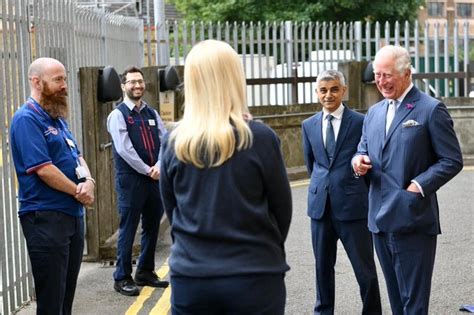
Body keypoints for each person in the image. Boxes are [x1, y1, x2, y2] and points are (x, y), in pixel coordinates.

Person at [159, 39, 292, 315]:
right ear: (235, 78)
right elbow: (282, 211)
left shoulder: (173, 142)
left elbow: (173, 211)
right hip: (254, 275)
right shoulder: (260, 138)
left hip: (192, 276)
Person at [353, 45, 463, 315]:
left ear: (407, 73)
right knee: (397, 304)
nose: (381, 81)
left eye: (387, 75)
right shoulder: (374, 112)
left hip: (413, 219)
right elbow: (362, 148)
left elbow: (451, 160)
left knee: (414, 305)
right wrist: (358, 162)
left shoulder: (431, 109)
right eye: (377, 75)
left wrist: (418, 186)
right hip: (379, 220)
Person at [10, 57, 95, 315]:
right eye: (58, 79)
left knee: (65, 296)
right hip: (46, 218)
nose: (64, 85)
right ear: (36, 82)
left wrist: (89, 182)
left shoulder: (56, 118)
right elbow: (44, 169)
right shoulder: (27, 119)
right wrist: (78, 191)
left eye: (64, 79)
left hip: (70, 215)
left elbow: (77, 155)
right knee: (51, 299)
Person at [302, 70, 382, 315]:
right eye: (323, 90)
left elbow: (370, 164)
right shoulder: (308, 125)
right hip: (320, 208)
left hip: (353, 207)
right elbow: (311, 164)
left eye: (334, 89)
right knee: (322, 268)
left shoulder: (360, 122)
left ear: (343, 90)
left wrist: (358, 190)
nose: (329, 95)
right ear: (317, 93)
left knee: (364, 269)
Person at [107, 66, 169, 296]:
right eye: (132, 82)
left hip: (154, 178)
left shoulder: (151, 113)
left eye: (140, 82)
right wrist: (147, 169)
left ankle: (145, 271)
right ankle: (122, 277)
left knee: (152, 226)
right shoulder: (118, 114)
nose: (137, 86)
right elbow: (124, 149)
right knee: (129, 228)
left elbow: (165, 141)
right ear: (123, 86)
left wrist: (160, 166)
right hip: (131, 179)